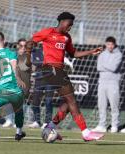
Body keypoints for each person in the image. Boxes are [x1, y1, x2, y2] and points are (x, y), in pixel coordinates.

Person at [26, 12, 104, 141]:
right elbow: (30, 42)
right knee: (72, 100)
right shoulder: (48, 32)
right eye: (69, 24)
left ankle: (49, 127)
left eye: (72, 25)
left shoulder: (67, 37)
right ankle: (85, 132)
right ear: (62, 21)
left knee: (68, 104)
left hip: (59, 71)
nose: (70, 27)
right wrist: (28, 58)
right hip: (50, 69)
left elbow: (73, 53)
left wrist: (91, 52)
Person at [92, 36, 122, 133]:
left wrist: (103, 65)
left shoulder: (119, 54)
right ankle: (102, 125)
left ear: (114, 45)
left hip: (113, 83)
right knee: (102, 105)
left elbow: (113, 68)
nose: (110, 46)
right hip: (102, 82)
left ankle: (114, 125)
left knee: (114, 105)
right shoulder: (102, 54)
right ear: (106, 44)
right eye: (108, 44)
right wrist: (106, 66)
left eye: (112, 44)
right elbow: (98, 67)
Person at [28, 48, 54, 129]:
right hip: (39, 79)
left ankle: (47, 122)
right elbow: (35, 62)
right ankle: (37, 121)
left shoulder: (52, 50)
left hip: (50, 79)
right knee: (35, 101)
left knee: (48, 101)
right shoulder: (36, 51)